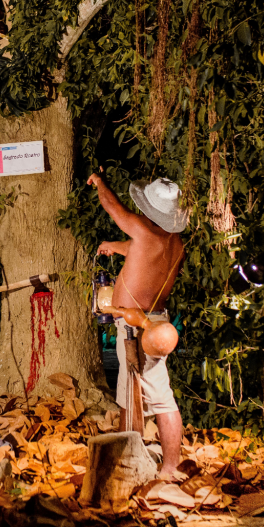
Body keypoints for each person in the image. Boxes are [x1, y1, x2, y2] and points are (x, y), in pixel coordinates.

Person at [87, 171, 189, 477]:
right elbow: (144, 252)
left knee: (158, 395)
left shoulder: (146, 233)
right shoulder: (174, 244)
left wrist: (100, 183)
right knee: (129, 394)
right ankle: (129, 461)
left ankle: (168, 468)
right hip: (149, 323)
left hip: (141, 327)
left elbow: (114, 210)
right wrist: (114, 246)